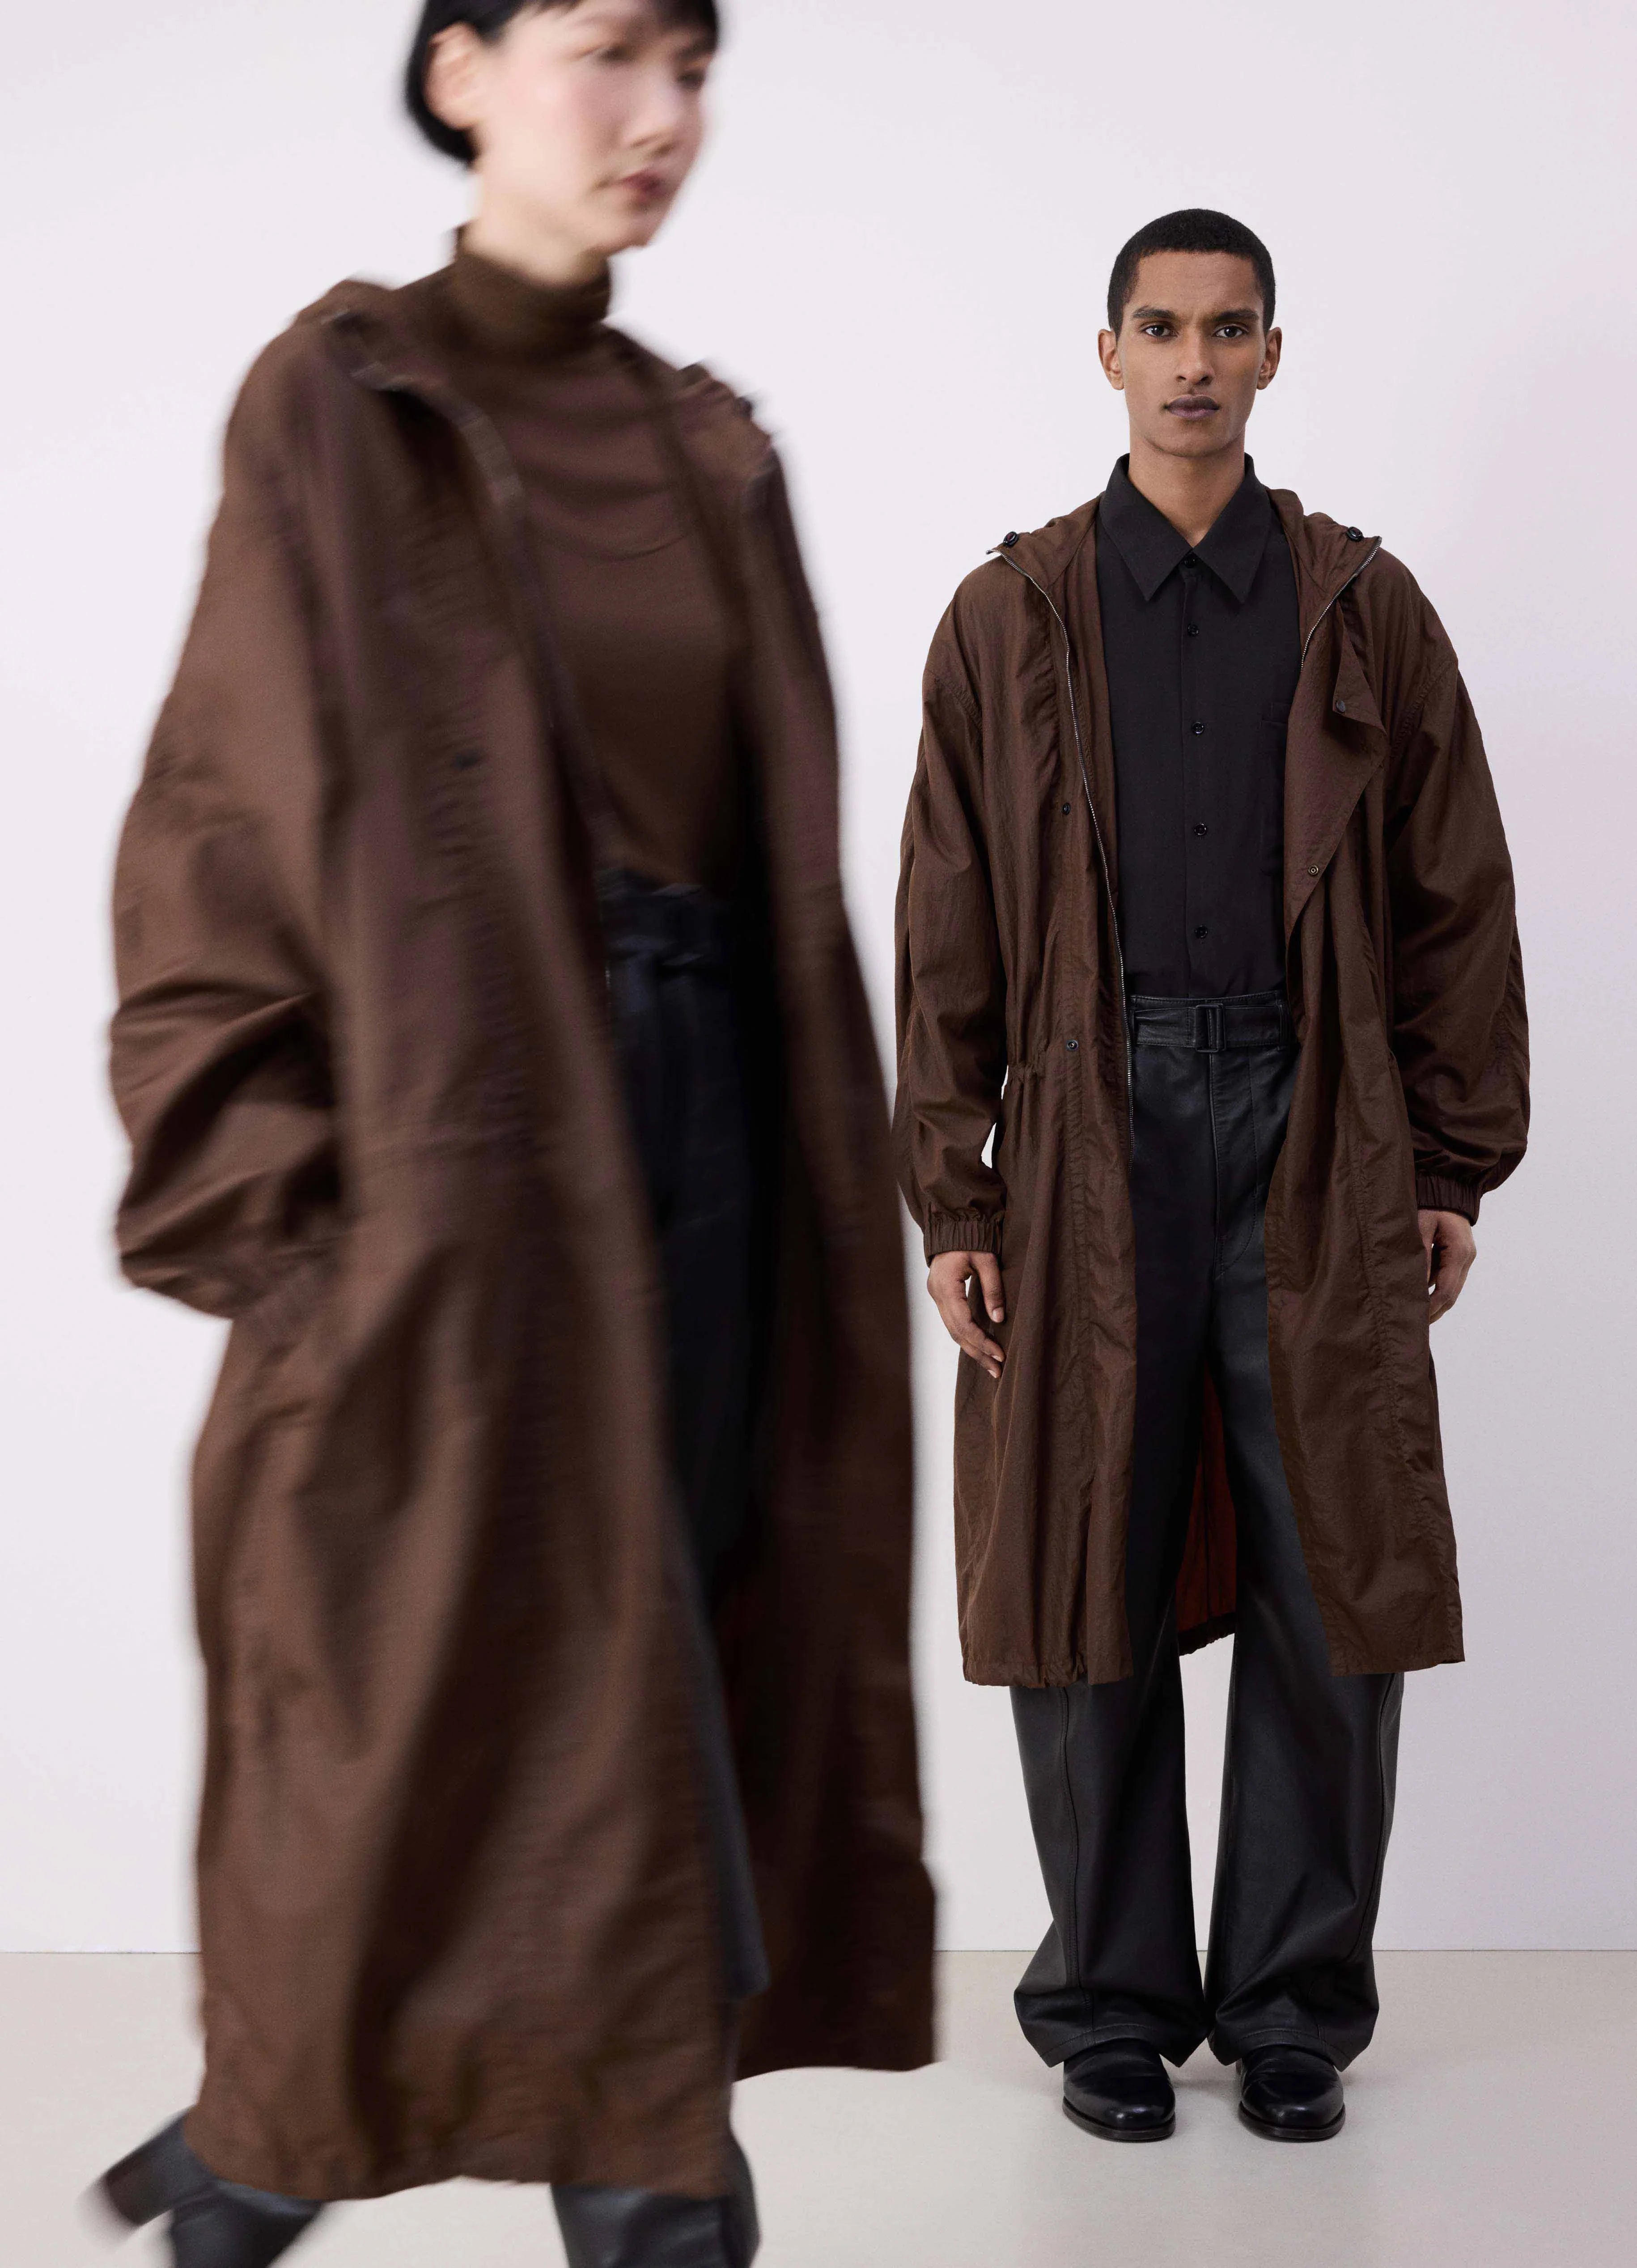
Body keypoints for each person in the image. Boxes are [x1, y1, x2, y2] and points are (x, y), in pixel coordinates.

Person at [95, 5, 933, 2261]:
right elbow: (213, 818)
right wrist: (277, 1212)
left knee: (661, 1646)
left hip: (717, 1124)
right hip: (463, 1134)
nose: (664, 115)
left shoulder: (705, 443)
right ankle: (312, 2150)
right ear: (460, 70)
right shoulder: (341, 401)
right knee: (404, 1677)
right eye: (606, 52)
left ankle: (394, 2161)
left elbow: (768, 860)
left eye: (696, 66)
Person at [895, 207, 1526, 2146]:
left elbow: (1454, 888)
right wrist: (957, 1192)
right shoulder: (1011, 614)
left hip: (1315, 1122)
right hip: (1087, 1127)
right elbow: (944, 915)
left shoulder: (1362, 607)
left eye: (1227, 328)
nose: (1193, 361)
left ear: (1270, 352)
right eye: (1160, 328)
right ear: (1109, 354)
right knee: (1079, 1557)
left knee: (1334, 1566)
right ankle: (1106, 2005)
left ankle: (1289, 2008)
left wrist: (1452, 1157)